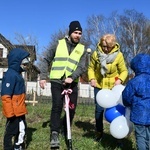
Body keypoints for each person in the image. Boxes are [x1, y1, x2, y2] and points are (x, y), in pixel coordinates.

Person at [39, 20, 87, 148]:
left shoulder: (82, 49)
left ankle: (67, 130)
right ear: (70, 32)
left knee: (71, 108)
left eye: (80, 33)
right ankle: (54, 133)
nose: (78, 35)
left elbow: (82, 67)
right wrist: (43, 76)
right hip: (56, 81)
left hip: (72, 83)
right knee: (57, 107)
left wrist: (72, 77)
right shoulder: (58, 44)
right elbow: (45, 59)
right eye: (76, 32)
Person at [88, 34, 128, 143]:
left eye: (108, 47)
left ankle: (118, 135)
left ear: (113, 45)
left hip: (113, 88)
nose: (105, 49)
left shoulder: (118, 55)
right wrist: (92, 78)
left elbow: (124, 71)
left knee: (116, 111)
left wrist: (119, 80)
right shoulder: (96, 54)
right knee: (99, 111)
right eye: (103, 46)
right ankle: (99, 133)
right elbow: (91, 68)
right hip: (99, 87)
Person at [1, 48, 30, 150]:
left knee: (22, 129)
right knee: (10, 132)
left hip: (20, 111)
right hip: (13, 112)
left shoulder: (18, 75)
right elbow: (6, 96)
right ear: (17, 61)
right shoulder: (10, 75)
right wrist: (10, 113)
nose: (26, 66)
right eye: (24, 63)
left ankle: (18, 146)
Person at [122, 53, 150, 150]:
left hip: (139, 114)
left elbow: (126, 97)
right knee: (149, 136)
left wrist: (128, 104)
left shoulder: (134, 81)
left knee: (141, 136)